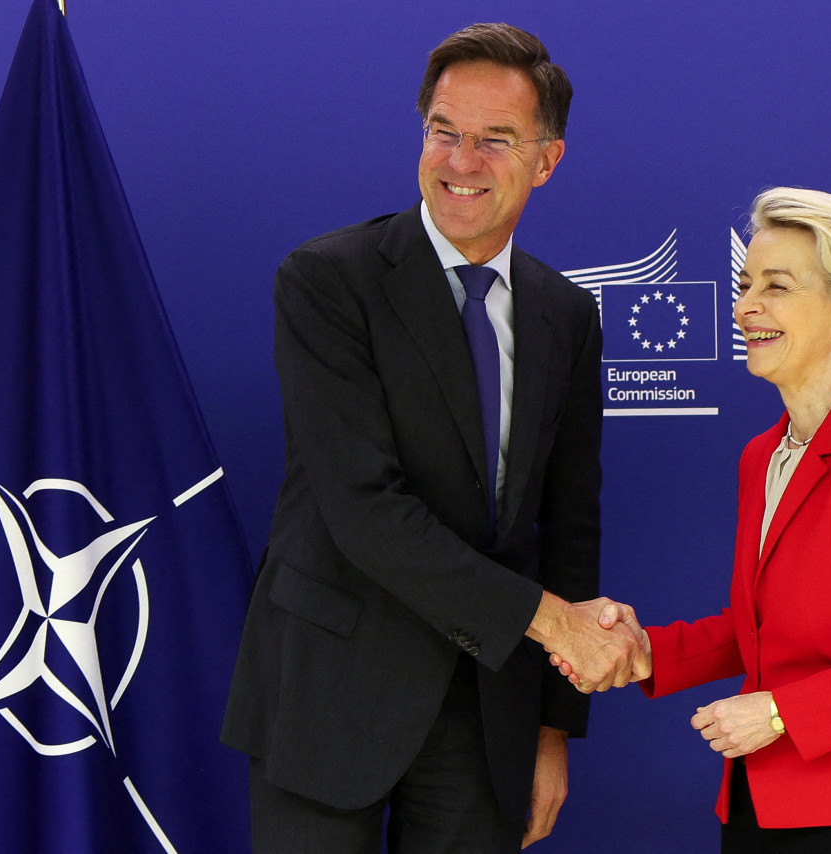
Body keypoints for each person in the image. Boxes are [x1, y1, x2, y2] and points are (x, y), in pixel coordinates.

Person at [221, 22, 646, 854]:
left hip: (486, 715)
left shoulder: (566, 315)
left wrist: (551, 732)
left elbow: (568, 525)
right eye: (443, 131)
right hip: (327, 697)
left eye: (495, 140)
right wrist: (555, 625)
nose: (460, 161)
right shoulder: (328, 282)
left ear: (546, 160)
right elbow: (363, 510)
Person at [562, 187, 831, 852]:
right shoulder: (764, 456)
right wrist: (645, 656)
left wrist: (780, 712)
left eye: (776, 286)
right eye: (746, 283)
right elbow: (764, 630)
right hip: (759, 808)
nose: (746, 306)